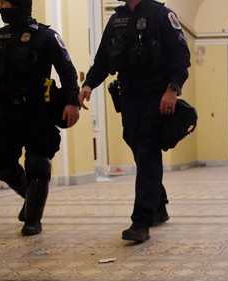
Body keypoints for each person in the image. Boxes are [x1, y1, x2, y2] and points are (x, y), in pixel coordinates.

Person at [78, 0, 191, 242]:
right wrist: (88, 84)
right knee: (137, 147)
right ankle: (158, 206)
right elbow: (102, 60)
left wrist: (173, 89)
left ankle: (141, 222)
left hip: (155, 95)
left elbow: (181, 56)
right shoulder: (116, 19)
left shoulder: (162, 14)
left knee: (147, 151)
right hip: (128, 97)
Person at [0, 0, 80, 236]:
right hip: (6, 112)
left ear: (18, 4)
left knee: (38, 164)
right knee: (1, 163)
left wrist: (72, 102)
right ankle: (31, 197)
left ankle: (32, 219)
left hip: (38, 110)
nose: (0, 7)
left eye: (4, 2)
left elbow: (67, 71)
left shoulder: (46, 36)